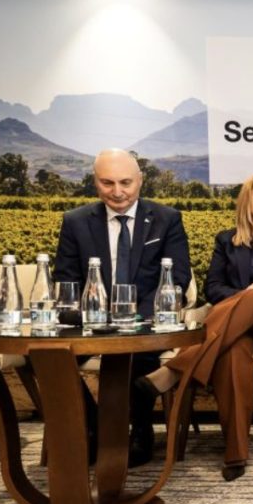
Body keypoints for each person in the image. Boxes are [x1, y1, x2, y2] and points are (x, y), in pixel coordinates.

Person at [137, 174, 253, 481]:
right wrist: (247, 295)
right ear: (247, 201)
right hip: (235, 329)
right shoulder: (226, 241)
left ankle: (179, 367)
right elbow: (214, 288)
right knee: (232, 351)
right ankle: (235, 453)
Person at [53, 148, 191, 466]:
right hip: (92, 321)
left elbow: (176, 277)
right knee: (45, 356)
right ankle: (93, 425)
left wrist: (133, 318)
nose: (117, 192)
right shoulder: (75, 222)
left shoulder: (166, 219)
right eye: (108, 183)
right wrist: (98, 317)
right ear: (95, 183)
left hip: (144, 320)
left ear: (140, 181)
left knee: (136, 353)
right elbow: (66, 280)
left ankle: (140, 431)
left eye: (125, 182)